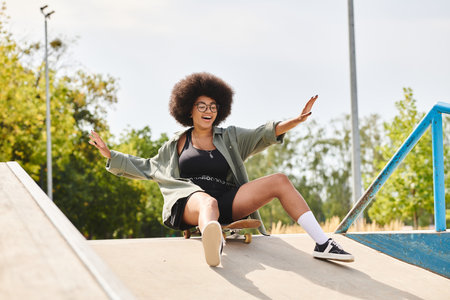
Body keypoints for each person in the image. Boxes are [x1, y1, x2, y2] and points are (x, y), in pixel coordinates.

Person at [89, 72, 354, 267]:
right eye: (201, 106)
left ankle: (323, 243)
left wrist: (295, 121)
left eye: (213, 107)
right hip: (190, 199)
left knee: (280, 180)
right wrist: (110, 154)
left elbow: (264, 133)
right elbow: (146, 167)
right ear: (188, 110)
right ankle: (213, 242)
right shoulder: (177, 143)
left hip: (228, 198)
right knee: (207, 202)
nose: (208, 111)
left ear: (220, 111)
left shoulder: (231, 137)